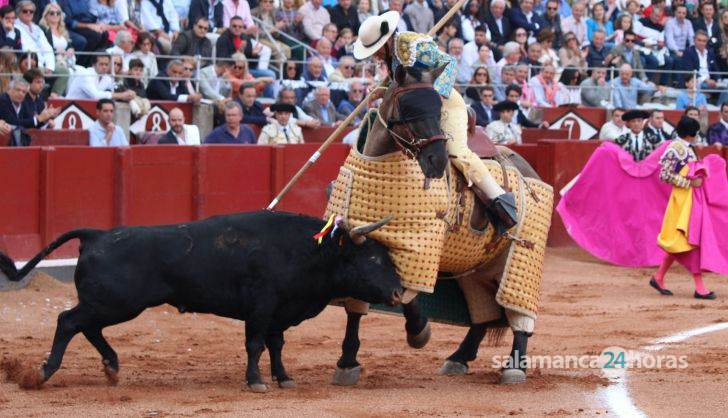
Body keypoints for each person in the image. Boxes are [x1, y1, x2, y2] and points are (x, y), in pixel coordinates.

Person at [354, 12, 518, 232]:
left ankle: (499, 198)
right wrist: (383, 91)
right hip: (416, 110)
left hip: (445, 102)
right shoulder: (392, 57)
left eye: (374, 50)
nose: (373, 56)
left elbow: (448, 63)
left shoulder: (411, 44)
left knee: (457, 152)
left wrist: (435, 95)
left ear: (385, 42)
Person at [649, 117, 716, 299]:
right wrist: (689, 182)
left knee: (680, 241)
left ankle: (659, 276)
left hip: (689, 200)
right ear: (692, 133)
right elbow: (664, 174)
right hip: (681, 201)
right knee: (690, 241)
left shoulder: (685, 147)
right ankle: (699, 286)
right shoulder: (676, 148)